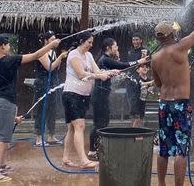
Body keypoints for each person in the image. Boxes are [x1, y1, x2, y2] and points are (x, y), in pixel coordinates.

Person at [0, 34, 60, 182]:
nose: (9, 47)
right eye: (8, 45)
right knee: (1, 139)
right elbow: (36, 55)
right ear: (2, 46)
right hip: (6, 102)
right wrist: (52, 44)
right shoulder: (12, 60)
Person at [151, 1, 194, 186]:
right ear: (171, 35)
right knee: (181, 149)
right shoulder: (181, 47)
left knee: (164, 149)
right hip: (180, 106)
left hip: (164, 105)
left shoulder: (155, 58)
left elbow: (158, 83)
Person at [61, 31, 118, 169]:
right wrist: (99, 76)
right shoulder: (73, 55)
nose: (91, 45)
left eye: (92, 42)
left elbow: (97, 71)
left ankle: (66, 158)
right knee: (80, 126)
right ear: (81, 41)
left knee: (72, 129)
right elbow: (81, 74)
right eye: (89, 42)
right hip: (72, 94)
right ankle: (83, 160)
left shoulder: (89, 55)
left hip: (84, 96)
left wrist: (109, 72)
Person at [88, 37, 149, 159]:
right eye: (115, 46)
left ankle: (96, 148)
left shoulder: (106, 60)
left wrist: (115, 71)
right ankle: (92, 151)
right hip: (100, 96)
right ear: (108, 48)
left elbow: (118, 67)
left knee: (103, 122)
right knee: (99, 124)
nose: (117, 48)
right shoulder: (105, 60)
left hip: (102, 95)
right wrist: (140, 61)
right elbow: (123, 65)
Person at [34, 32, 67, 146]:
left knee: (52, 109)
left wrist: (59, 58)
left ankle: (51, 136)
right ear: (46, 41)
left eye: (55, 39)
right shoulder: (42, 52)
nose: (54, 41)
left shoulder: (52, 52)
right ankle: (39, 137)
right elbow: (49, 67)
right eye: (52, 39)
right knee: (41, 110)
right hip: (42, 84)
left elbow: (56, 68)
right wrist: (60, 57)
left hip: (52, 83)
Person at [125, 34, 146, 122]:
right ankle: (135, 130)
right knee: (133, 106)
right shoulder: (130, 53)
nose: (135, 42)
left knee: (141, 107)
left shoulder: (145, 51)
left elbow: (146, 65)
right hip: (131, 82)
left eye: (137, 39)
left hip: (141, 82)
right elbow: (128, 66)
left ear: (141, 40)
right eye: (133, 40)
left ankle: (139, 132)